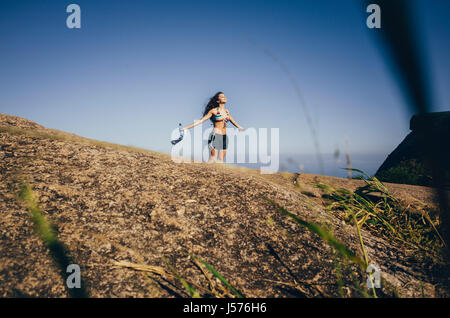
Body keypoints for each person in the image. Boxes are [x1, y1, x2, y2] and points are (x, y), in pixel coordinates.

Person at [182, 92, 244, 163]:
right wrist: (186, 127)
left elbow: (233, 121)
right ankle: (204, 172)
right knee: (212, 158)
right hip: (215, 135)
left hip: (224, 136)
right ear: (218, 101)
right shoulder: (213, 111)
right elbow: (201, 121)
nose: (224, 97)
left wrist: (239, 127)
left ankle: (217, 174)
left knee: (220, 160)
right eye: (222, 97)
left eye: (224, 96)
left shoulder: (227, 112)